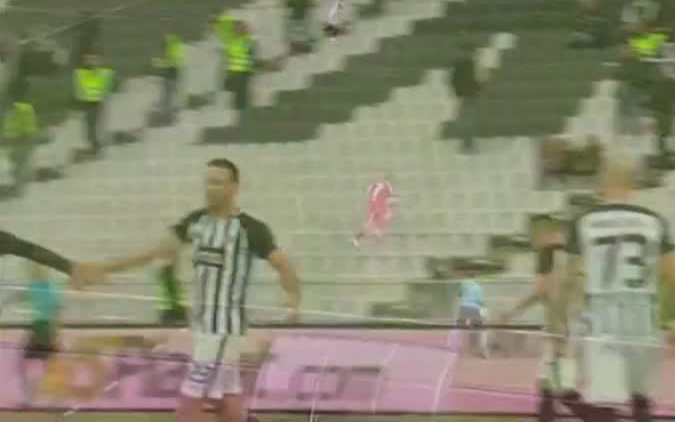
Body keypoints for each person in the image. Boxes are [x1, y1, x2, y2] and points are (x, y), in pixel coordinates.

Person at [78, 158, 302, 422]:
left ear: (233, 187)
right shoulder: (195, 222)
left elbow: (283, 265)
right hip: (203, 329)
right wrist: (104, 268)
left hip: (223, 332)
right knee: (227, 402)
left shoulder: (250, 229)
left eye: (217, 182)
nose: (209, 188)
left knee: (189, 403)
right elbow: (154, 252)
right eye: (207, 182)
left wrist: (293, 301)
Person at [554, 157, 675, 422]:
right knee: (640, 400)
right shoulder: (653, 221)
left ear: (604, 184)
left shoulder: (585, 221)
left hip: (603, 316)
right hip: (644, 317)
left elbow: (566, 278)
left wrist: (558, 320)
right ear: (633, 185)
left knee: (604, 405)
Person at [492, 218, 578, 422]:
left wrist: (511, 311)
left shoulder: (547, 253)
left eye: (533, 237)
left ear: (542, 234)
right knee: (552, 382)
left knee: (556, 385)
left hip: (560, 325)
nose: (533, 242)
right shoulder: (575, 254)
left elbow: (541, 290)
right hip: (577, 324)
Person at [18, 260, 62, 407]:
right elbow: (23, 296)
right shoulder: (36, 287)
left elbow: (57, 311)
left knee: (44, 365)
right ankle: (33, 399)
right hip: (37, 328)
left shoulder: (51, 289)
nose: (34, 272)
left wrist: (55, 334)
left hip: (44, 328)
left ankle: (49, 399)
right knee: (31, 364)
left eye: (37, 270)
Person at [353, 176, 395, 246]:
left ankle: (374, 233)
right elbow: (388, 199)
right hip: (377, 207)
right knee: (371, 224)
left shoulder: (379, 185)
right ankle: (371, 234)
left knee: (372, 224)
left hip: (375, 206)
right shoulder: (387, 187)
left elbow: (370, 188)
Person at [457, 277, 489, 357]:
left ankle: (461, 348)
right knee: (482, 329)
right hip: (473, 309)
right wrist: (485, 308)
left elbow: (459, 295)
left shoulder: (463, 283)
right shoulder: (478, 287)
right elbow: (480, 301)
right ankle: (483, 349)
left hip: (463, 308)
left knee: (463, 328)